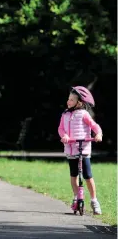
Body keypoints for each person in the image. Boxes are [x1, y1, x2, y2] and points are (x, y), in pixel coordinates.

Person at [58, 86, 103, 215]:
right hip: (71, 150)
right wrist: (64, 136)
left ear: (79, 102)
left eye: (71, 100)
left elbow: (95, 126)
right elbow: (60, 128)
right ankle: (76, 196)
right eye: (68, 99)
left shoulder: (84, 114)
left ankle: (94, 200)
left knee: (88, 176)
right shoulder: (65, 114)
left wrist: (98, 134)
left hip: (83, 150)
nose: (68, 102)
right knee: (74, 176)